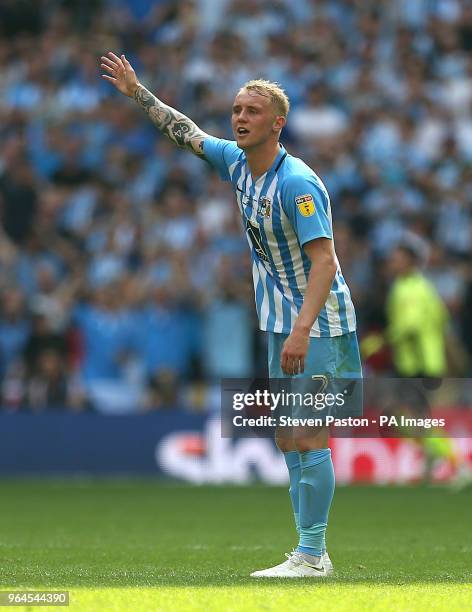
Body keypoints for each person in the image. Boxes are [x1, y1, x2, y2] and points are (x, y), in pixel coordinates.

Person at [100, 51, 362, 578]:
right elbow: (187, 133)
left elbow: (325, 261)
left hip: (319, 324)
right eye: (237, 109)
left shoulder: (297, 184)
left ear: (278, 124)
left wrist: (302, 331)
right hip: (280, 322)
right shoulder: (238, 163)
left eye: (253, 111)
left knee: (307, 433)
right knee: (287, 435)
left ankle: (313, 555)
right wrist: (138, 92)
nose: (240, 117)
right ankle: (308, 551)